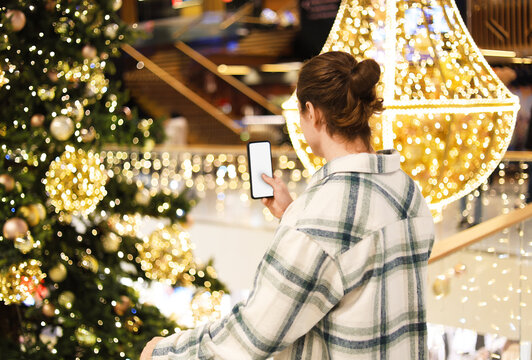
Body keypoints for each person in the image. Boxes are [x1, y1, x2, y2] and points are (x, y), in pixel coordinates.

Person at [141, 51, 435, 359]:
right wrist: (293, 213)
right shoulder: (405, 189)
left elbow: (253, 334)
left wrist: (163, 351)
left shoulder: (321, 217)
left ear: (312, 112)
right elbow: (355, 260)